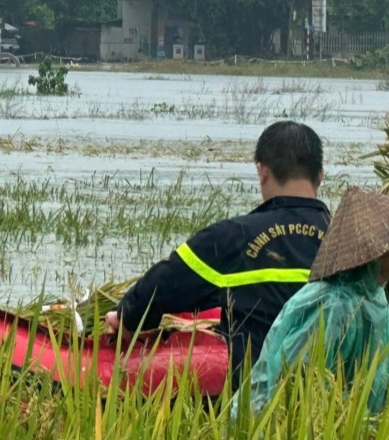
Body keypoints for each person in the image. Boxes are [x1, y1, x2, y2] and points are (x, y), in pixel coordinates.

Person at [105, 121, 331, 389]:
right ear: (319, 175)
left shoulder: (234, 237)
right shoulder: (350, 240)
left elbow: (164, 283)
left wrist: (127, 316)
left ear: (262, 172)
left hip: (254, 396)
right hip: (333, 393)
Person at [233, 186, 389, 415]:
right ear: (383, 251)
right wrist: (351, 414)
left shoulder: (375, 299)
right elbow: (296, 381)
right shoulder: (333, 305)